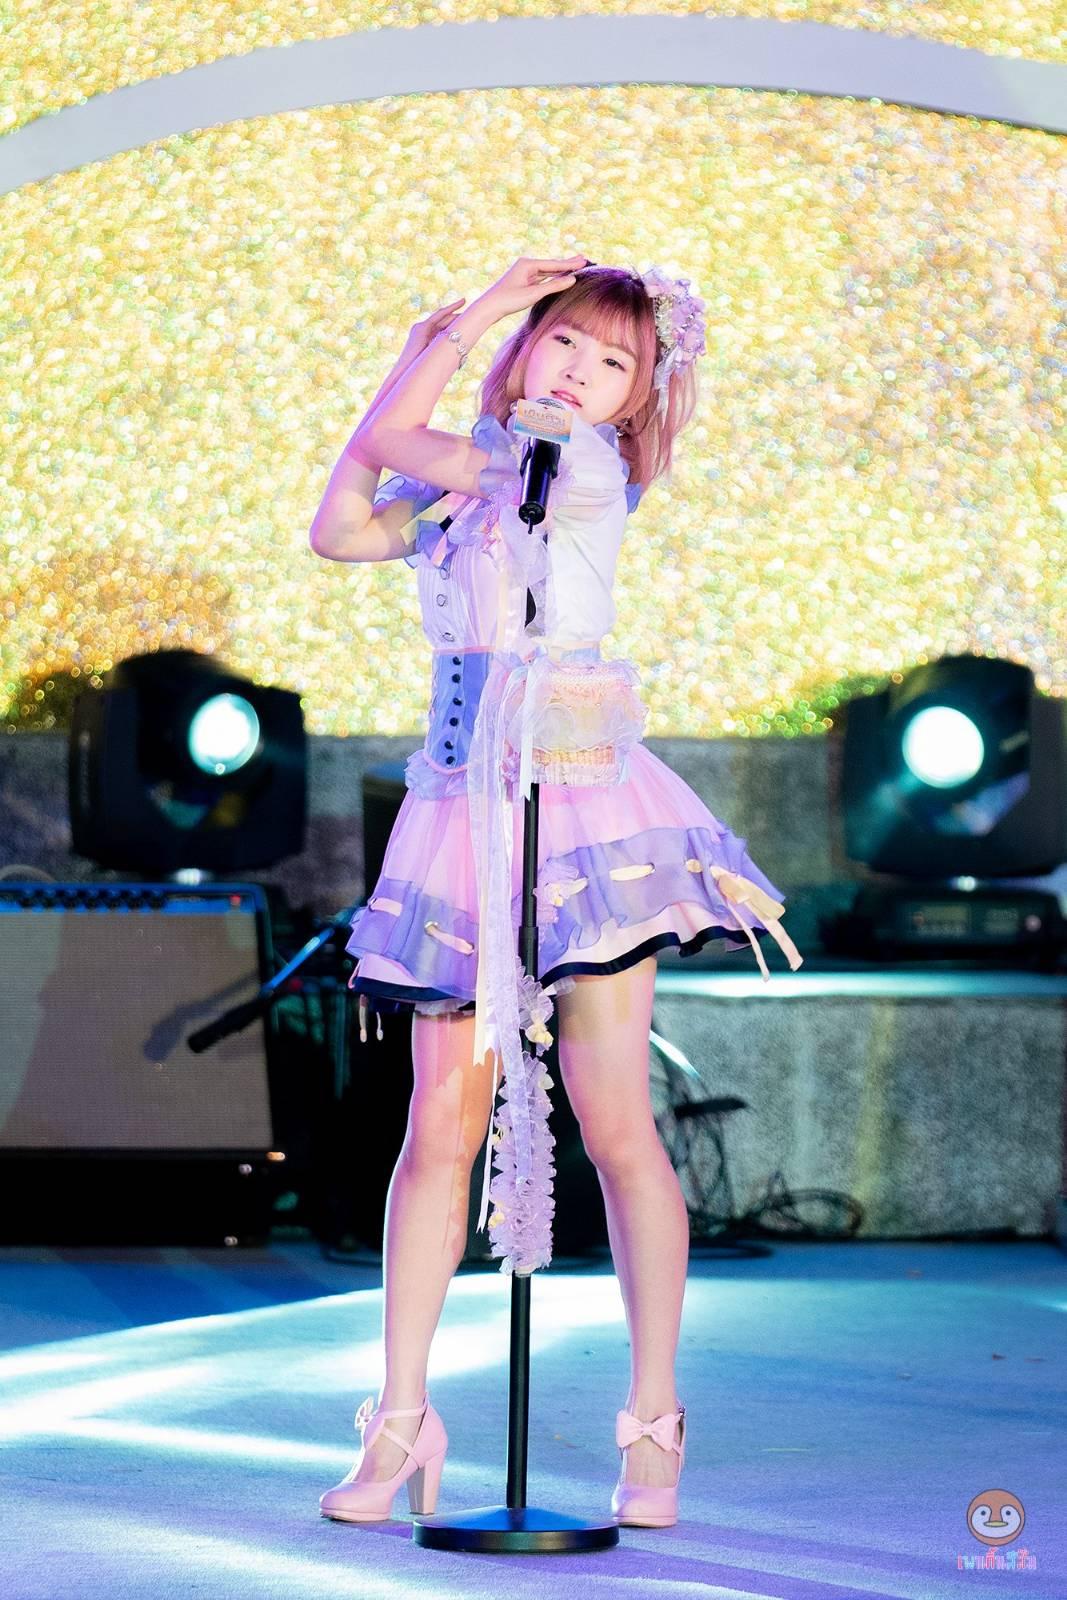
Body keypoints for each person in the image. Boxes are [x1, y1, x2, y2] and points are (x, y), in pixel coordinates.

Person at [308, 255, 803, 1530]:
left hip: (574, 806)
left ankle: (653, 1420)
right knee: (436, 1126)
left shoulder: (572, 464)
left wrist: (456, 327)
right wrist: (433, 340)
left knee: (612, 1116)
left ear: (638, 394)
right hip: (459, 808)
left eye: (613, 360)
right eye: (564, 342)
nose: (581, 371)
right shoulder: (473, 474)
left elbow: (391, 440)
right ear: (527, 348)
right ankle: (402, 1420)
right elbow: (340, 523)